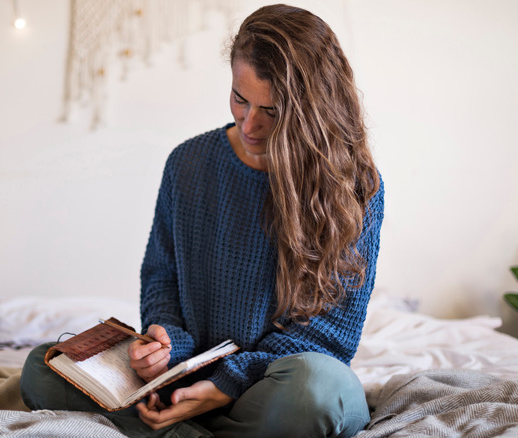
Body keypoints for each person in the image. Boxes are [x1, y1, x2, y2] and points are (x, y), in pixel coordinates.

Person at [20, 4, 384, 437]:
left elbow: (329, 337)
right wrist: (164, 343)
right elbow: (161, 278)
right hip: (185, 384)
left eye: (272, 111)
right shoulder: (187, 163)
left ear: (312, 111)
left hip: (270, 388)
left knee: (322, 390)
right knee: (44, 367)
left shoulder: (352, 186)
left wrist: (227, 385)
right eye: (239, 98)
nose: (250, 124)